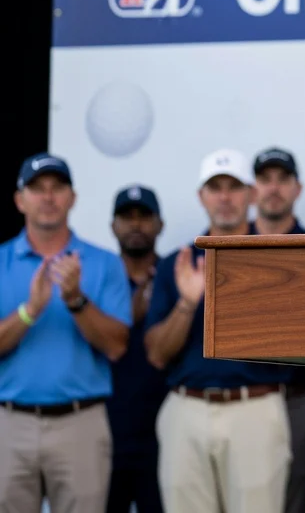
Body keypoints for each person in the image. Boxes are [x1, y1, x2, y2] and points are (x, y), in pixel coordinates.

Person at [144, 149, 293, 513]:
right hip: (186, 408)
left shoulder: (278, 257)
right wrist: (187, 303)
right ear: (201, 196)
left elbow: (297, 342)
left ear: (252, 194)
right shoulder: (174, 264)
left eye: (234, 187)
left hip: (255, 408)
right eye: (215, 187)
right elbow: (157, 353)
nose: (225, 197)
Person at [0, 153, 131, 513]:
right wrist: (30, 311)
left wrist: (75, 300)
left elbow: (117, 346)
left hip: (81, 424)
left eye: (58, 188)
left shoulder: (104, 263)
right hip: (10, 423)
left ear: (72, 197)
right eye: (37, 189)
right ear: (19, 200)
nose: (48, 197)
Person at [250, 148, 305, 513]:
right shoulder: (231, 247)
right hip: (243, 397)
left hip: (299, 399)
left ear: (298, 189)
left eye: (283, 179)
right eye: (265, 179)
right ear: (253, 190)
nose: (274, 188)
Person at [106, 186, 168, 513]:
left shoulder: (175, 275)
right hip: (105, 430)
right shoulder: (98, 276)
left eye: (144, 216)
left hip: (162, 434)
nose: (135, 224)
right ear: (112, 226)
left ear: (160, 225)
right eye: (126, 217)